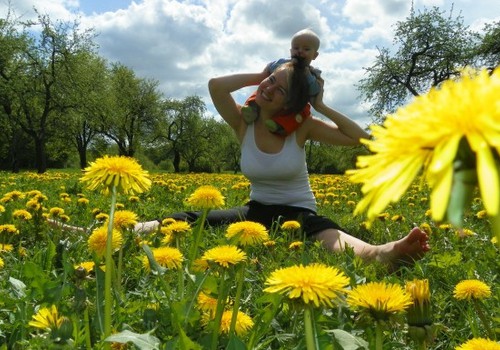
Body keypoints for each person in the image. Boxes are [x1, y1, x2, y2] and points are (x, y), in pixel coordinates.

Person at [134, 57, 430, 267]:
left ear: (290, 104)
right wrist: (268, 72)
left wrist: (321, 105)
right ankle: (125, 230)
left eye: (280, 90)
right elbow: (215, 86)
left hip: (299, 211)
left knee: (327, 234)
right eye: (270, 82)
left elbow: (358, 138)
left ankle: (382, 254)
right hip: (255, 210)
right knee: (191, 218)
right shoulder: (242, 123)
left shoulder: (302, 128)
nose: (268, 89)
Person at [241, 28, 323, 136]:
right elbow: (271, 68)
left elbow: (314, 90)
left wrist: (307, 74)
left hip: (296, 103)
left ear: (315, 55)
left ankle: (280, 125)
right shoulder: (284, 63)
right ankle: (251, 108)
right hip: (277, 96)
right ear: (290, 51)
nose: (300, 51)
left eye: (306, 49)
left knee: (303, 112)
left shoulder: (313, 74)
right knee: (263, 89)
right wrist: (266, 70)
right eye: (296, 48)